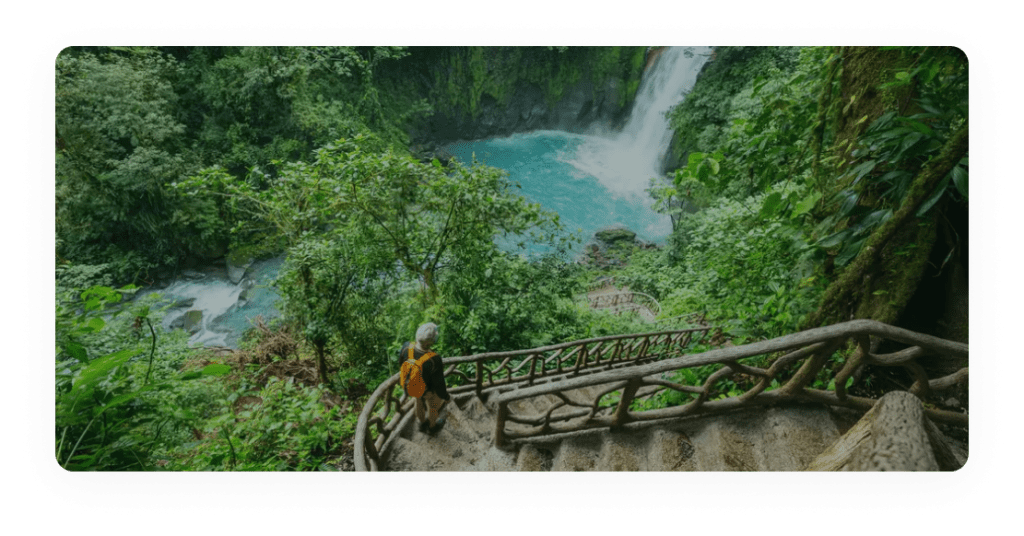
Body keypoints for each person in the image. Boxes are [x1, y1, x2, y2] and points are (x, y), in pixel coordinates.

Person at [399, 322, 451, 435]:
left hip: (410, 386)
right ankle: (432, 427)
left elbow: (401, 363)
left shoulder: (406, 347)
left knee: (418, 400)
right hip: (427, 390)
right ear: (431, 341)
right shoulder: (434, 359)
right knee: (433, 406)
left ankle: (421, 424)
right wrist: (446, 396)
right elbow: (439, 384)